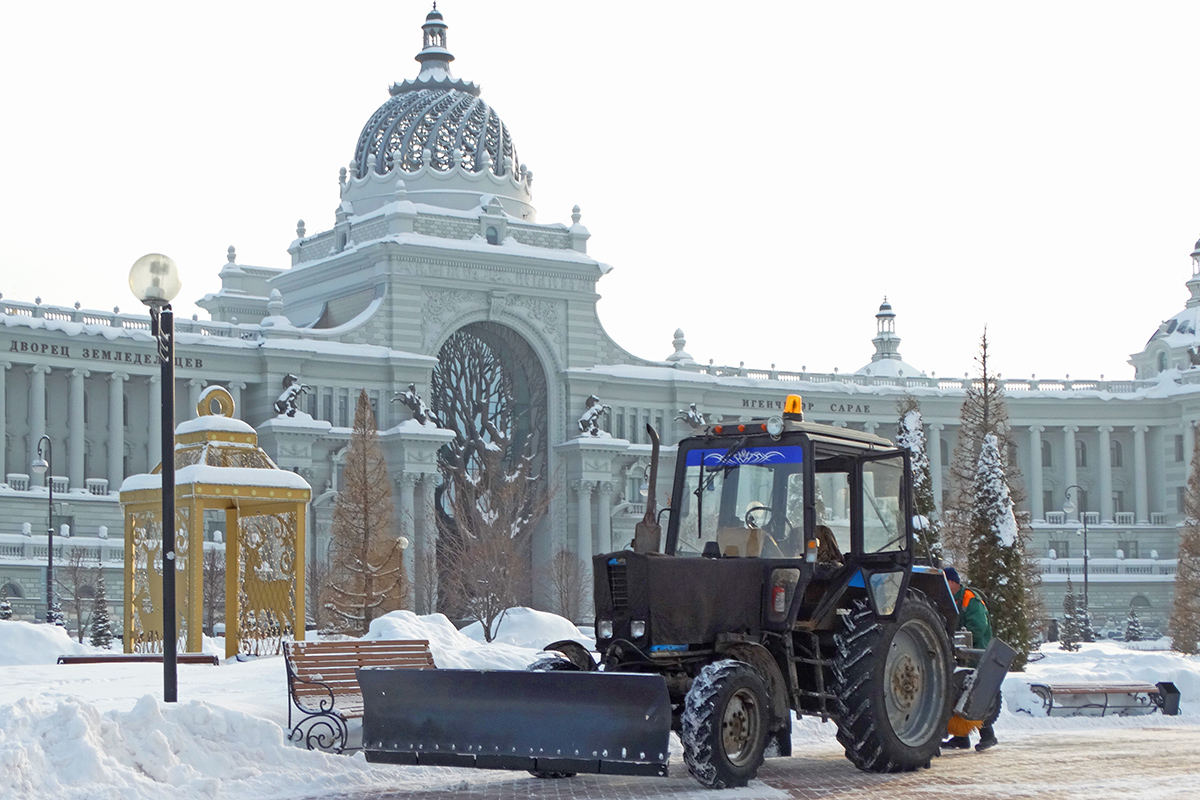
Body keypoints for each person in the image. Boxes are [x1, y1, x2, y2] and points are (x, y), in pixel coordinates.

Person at [942, 566, 999, 752]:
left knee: (974, 694)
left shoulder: (970, 599)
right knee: (959, 693)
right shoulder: (951, 599)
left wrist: (961, 640)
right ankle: (960, 738)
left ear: (952, 582)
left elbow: (979, 627)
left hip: (976, 653)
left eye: (945, 582)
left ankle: (988, 736)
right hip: (960, 653)